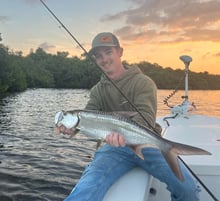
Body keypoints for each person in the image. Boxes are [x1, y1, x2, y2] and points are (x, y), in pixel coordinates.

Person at [59, 32, 200, 201]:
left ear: (120, 52)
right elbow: (90, 114)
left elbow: (146, 118)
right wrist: (71, 129)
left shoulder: (143, 82)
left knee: (188, 190)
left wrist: (124, 134)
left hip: (150, 145)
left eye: (108, 52)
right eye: (99, 56)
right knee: (84, 191)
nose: (104, 59)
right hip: (113, 149)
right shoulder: (97, 89)